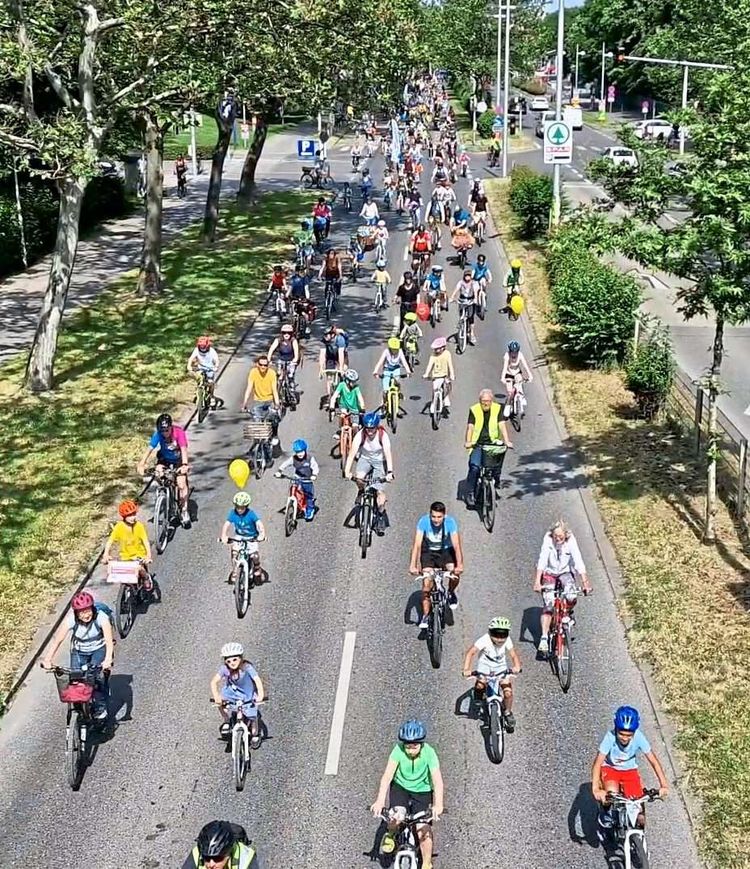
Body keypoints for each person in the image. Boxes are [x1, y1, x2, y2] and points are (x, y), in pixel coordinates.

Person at [369, 719, 444, 869]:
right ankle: (390, 834)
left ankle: (427, 863)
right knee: (396, 816)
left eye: (414, 746)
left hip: (422, 791)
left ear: (421, 743)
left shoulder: (429, 753)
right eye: (407, 746)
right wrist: (379, 801)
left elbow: (437, 782)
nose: (410, 750)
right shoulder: (398, 750)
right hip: (400, 788)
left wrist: (438, 805)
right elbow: (387, 777)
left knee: (423, 829)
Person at [592, 706, 669, 847]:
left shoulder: (639, 737)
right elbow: (597, 763)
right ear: (616, 729)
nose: (625, 738)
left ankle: (638, 840)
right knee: (611, 795)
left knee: (638, 807)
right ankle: (605, 818)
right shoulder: (609, 738)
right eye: (621, 734)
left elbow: (653, 761)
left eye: (629, 735)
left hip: (629, 772)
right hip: (611, 770)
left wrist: (663, 785)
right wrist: (596, 789)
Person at [41, 591, 115, 720]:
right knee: (75, 679)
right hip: (78, 651)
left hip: (98, 649)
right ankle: (78, 710)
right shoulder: (71, 620)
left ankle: (100, 706)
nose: (86, 615)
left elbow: (109, 641)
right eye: (81, 612)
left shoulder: (101, 617)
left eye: (88, 610)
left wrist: (108, 659)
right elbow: (58, 640)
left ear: (92, 608)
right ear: (76, 613)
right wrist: (48, 659)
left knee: (96, 677)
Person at [533, 519, 592, 654]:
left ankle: (567, 613)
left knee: (571, 596)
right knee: (548, 604)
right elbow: (542, 559)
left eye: (561, 537)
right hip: (550, 572)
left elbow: (578, 560)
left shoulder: (571, 541)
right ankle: (544, 637)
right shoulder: (548, 540)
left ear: (566, 535)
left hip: (565, 571)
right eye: (555, 537)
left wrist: (585, 582)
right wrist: (537, 581)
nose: (558, 539)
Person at [461, 616, 522, 731]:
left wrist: (517, 666)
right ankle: (478, 698)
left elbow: (513, 654)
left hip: (501, 669)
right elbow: (471, 652)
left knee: (508, 693)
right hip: (484, 668)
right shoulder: (484, 640)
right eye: (496, 634)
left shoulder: (507, 640)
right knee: (480, 685)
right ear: (490, 632)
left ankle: (508, 712)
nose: (500, 639)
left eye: (503, 635)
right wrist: (466, 669)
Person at [409, 501, 464, 627]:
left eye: (439, 517)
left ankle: (450, 592)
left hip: (445, 551)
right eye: (433, 516)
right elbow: (417, 545)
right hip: (428, 551)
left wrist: (459, 564)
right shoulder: (423, 522)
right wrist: (413, 565)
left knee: (454, 573)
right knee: (426, 584)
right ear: (430, 515)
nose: (436, 520)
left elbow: (456, 545)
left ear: (444, 515)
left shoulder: (450, 522)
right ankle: (426, 615)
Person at [137, 412, 191, 526]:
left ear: (171, 427)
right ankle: (166, 495)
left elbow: (183, 449)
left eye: (167, 430)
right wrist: (142, 464)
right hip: (164, 458)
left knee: (181, 484)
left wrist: (185, 465)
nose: (164, 433)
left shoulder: (178, 433)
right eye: (162, 430)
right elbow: (150, 448)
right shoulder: (158, 435)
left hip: (178, 460)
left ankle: (184, 511)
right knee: (158, 472)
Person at [345, 411, 394, 534]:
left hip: (380, 462)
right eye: (367, 429)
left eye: (372, 429)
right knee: (359, 478)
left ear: (376, 427)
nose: (370, 432)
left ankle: (381, 516)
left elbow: (388, 454)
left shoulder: (383, 436)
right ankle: (361, 490)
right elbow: (352, 454)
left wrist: (389, 472)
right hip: (365, 459)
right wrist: (347, 471)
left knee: (379, 493)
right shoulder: (360, 435)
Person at [464, 388, 513, 507]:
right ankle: (470, 493)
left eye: (488, 401)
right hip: (478, 444)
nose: (486, 403)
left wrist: (507, 441)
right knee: (475, 467)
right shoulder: (474, 409)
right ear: (479, 401)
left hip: (493, 443)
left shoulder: (497, 409)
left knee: (496, 464)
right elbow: (470, 427)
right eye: (483, 401)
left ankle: (495, 481)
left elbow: (502, 425)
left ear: (492, 401)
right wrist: (468, 441)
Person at [210, 642, 265, 743]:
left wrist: (261, 695)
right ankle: (226, 720)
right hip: (231, 694)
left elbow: (257, 680)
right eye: (229, 661)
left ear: (241, 658)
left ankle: (256, 732)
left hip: (247, 694)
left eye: (235, 659)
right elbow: (214, 682)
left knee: (252, 717)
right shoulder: (225, 669)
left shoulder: (247, 668)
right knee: (220, 704)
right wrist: (216, 696)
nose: (232, 663)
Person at [103, 499, 153, 588]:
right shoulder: (119, 527)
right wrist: (106, 555)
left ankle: (146, 577)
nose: (132, 517)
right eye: (129, 515)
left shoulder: (139, 526)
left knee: (139, 568)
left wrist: (148, 555)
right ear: (124, 516)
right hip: (125, 556)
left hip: (139, 555)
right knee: (121, 574)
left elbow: (145, 541)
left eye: (134, 514)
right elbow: (110, 541)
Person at [220, 492, 266, 580]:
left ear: (246, 506)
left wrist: (262, 534)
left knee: (254, 555)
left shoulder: (251, 514)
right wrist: (224, 535)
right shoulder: (233, 513)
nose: (239, 509)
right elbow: (227, 524)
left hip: (251, 537)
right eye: (237, 507)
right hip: (239, 536)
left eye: (242, 507)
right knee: (234, 553)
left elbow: (259, 523)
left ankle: (257, 566)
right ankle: (235, 570)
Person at [181, 820, 260, 869]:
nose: (211, 864)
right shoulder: (197, 853)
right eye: (207, 858)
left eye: (218, 859)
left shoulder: (246, 859)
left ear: (228, 854)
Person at [275, 438, 319, 521]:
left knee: (308, 495)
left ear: (305, 450)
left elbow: (315, 467)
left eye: (301, 451)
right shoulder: (293, 459)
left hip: (307, 479)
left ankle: (309, 510)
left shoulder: (310, 458)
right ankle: (294, 502)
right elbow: (285, 464)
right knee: (293, 489)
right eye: (298, 452)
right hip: (297, 477)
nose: (300, 454)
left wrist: (314, 475)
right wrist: (279, 471)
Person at [240, 355, 280, 445]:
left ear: (268, 365)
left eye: (265, 365)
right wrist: (244, 403)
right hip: (258, 402)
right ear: (257, 364)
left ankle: (274, 435)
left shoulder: (272, 373)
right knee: (257, 425)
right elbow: (249, 388)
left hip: (269, 401)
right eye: (261, 364)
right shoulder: (253, 372)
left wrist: (277, 404)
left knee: (274, 419)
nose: (263, 367)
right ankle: (257, 449)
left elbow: (274, 390)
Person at [373, 337, 411, 405]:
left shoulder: (400, 352)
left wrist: (408, 371)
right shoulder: (386, 352)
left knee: (397, 382)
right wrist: (375, 371)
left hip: (396, 369)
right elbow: (380, 362)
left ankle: (398, 396)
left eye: (396, 349)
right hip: (387, 369)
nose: (395, 351)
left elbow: (404, 362)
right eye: (394, 349)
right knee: (385, 389)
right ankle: (383, 403)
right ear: (390, 348)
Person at [423, 336, 454, 416]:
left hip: (445, 375)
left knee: (448, 385)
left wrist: (452, 374)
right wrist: (426, 374)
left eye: (438, 348)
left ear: (443, 348)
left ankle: (446, 397)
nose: (436, 350)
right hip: (436, 376)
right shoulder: (433, 356)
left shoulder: (447, 354)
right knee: (435, 389)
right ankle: (433, 403)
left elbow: (450, 365)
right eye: (435, 349)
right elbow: (429, 365)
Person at [501, 340, 533, 418]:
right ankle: (508, 405)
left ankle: (521, 397)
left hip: (517, 373)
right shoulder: (507, 356)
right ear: (510, 351)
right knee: (510, 392)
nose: (514, 354)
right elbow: (505, 368)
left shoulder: (520, 355)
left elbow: (525, 365)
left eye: (516, 352)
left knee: (519, 383)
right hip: (509, 374)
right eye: (512, 352)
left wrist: (530, 375)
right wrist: (503, 377)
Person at [329, 369, 365, 433]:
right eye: (353, 382)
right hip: (344, 406)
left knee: (355, 426)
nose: (354, 383)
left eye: (355, 382)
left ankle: (355, 439)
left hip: (354, 409)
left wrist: (362, 408)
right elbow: (334, 397)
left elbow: (360, 399)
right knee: (342, 415)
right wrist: (332, 408)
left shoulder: (356, 388)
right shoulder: (341, 385)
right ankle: (340, 431)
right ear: (347, 381)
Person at [187, 336, 220, 406]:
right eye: (201, 346)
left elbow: (216, 360)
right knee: (199, 379)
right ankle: (198, 393)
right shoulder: (196, 350)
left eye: (204, 347)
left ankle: (211, 396)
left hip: (210, 369)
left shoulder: (212, 351)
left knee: (210, 382)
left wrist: (216, 366)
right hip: (200, 368)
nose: (202, 348)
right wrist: (189, 366)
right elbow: (191, 358)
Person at [449, 268, 479, 346]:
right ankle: (461, 323)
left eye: (469, 276)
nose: (467, 277)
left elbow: (475, 291)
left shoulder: (474, 283)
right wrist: (452, 297)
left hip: (470, 301)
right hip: (462, 300)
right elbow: (456, 289)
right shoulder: (461, 282)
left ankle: (471, 333)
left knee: (471, 317)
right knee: (461, 315)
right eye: (466, 276)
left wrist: (475, 299)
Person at [267, 323, 301, 391]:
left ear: (291, 334)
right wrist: (269, 359)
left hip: (291, 360)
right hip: (281, 359)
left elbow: (296, 352)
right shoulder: (278, 340)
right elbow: (271, 349)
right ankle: (279, 389)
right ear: (282, 333)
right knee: (279, 374)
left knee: (290, 375)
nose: (286, 334)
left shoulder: (293, 341)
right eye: (284, 333)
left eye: (289, 333)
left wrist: (295, 360)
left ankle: (291, 389)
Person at [319, 324, 349, 399]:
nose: (325, 337)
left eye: (327, 335)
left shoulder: (340, 339)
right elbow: (322, 356)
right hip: (330, 356)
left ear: (332, 334)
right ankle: (330, 396)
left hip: (340, 354)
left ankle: (344, 389)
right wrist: (321, 369)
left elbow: (341, 354)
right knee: (329, 376)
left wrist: (341, 369)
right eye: (324, 335)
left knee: (343, 371)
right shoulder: (324, 340)